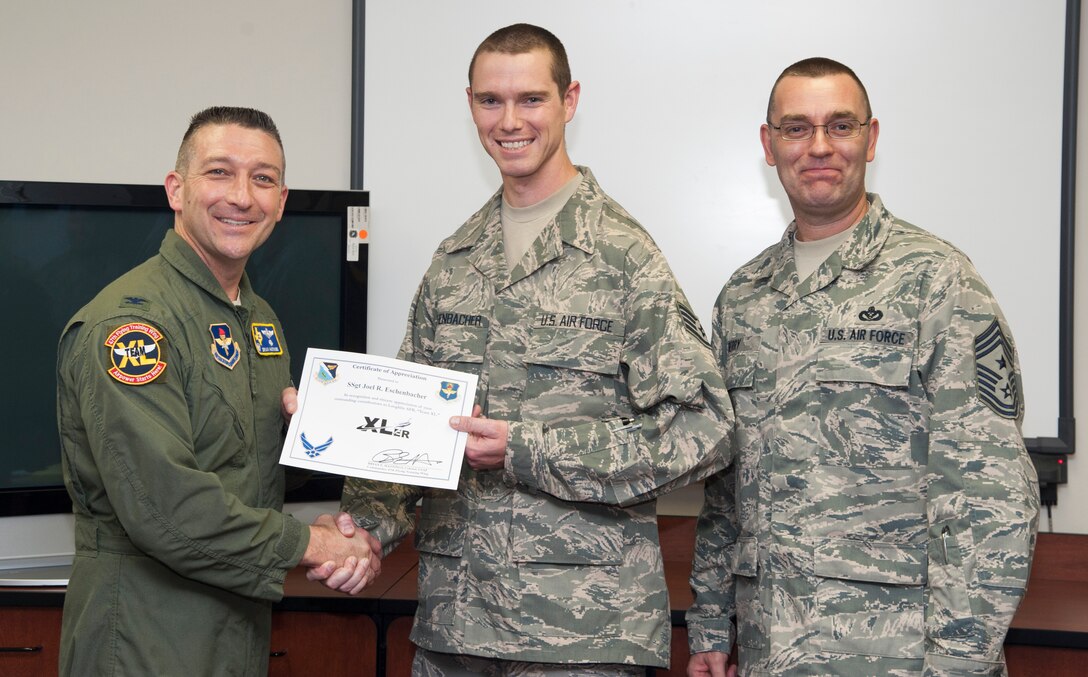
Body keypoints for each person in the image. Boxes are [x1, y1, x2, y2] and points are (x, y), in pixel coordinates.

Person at [341, 23, 733, 674]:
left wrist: (531, 449)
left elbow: (703, 430)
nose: (509, 120)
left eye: (531, 99)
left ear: (568, 100)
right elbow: (407, 427)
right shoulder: (455, 261)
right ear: (470, 104)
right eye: (491, 101)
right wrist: (362, 530)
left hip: (582, 633)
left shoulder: (622, 257)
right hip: (455, 625)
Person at [686, 58, 1040, 676]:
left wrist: (959, 662)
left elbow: (990, 496)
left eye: (839, 126)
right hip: (771, 649)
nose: (818, 147)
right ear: (769, 146)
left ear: (871, 138)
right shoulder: (743, 298)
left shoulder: (938, 282)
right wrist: (713, 625)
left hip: (898, 656)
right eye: (796, 128)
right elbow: (727, 487)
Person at [56, 106, 380, 676]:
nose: (242, 196)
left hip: (235, 629)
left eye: (263, 178)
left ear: (281, 202)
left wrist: (319, 441)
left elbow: (244, 470)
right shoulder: (133, 329)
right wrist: (311, 546)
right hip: (142, 635)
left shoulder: (259, 321)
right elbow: (165, 509)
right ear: (176, 190)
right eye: (219, 173)